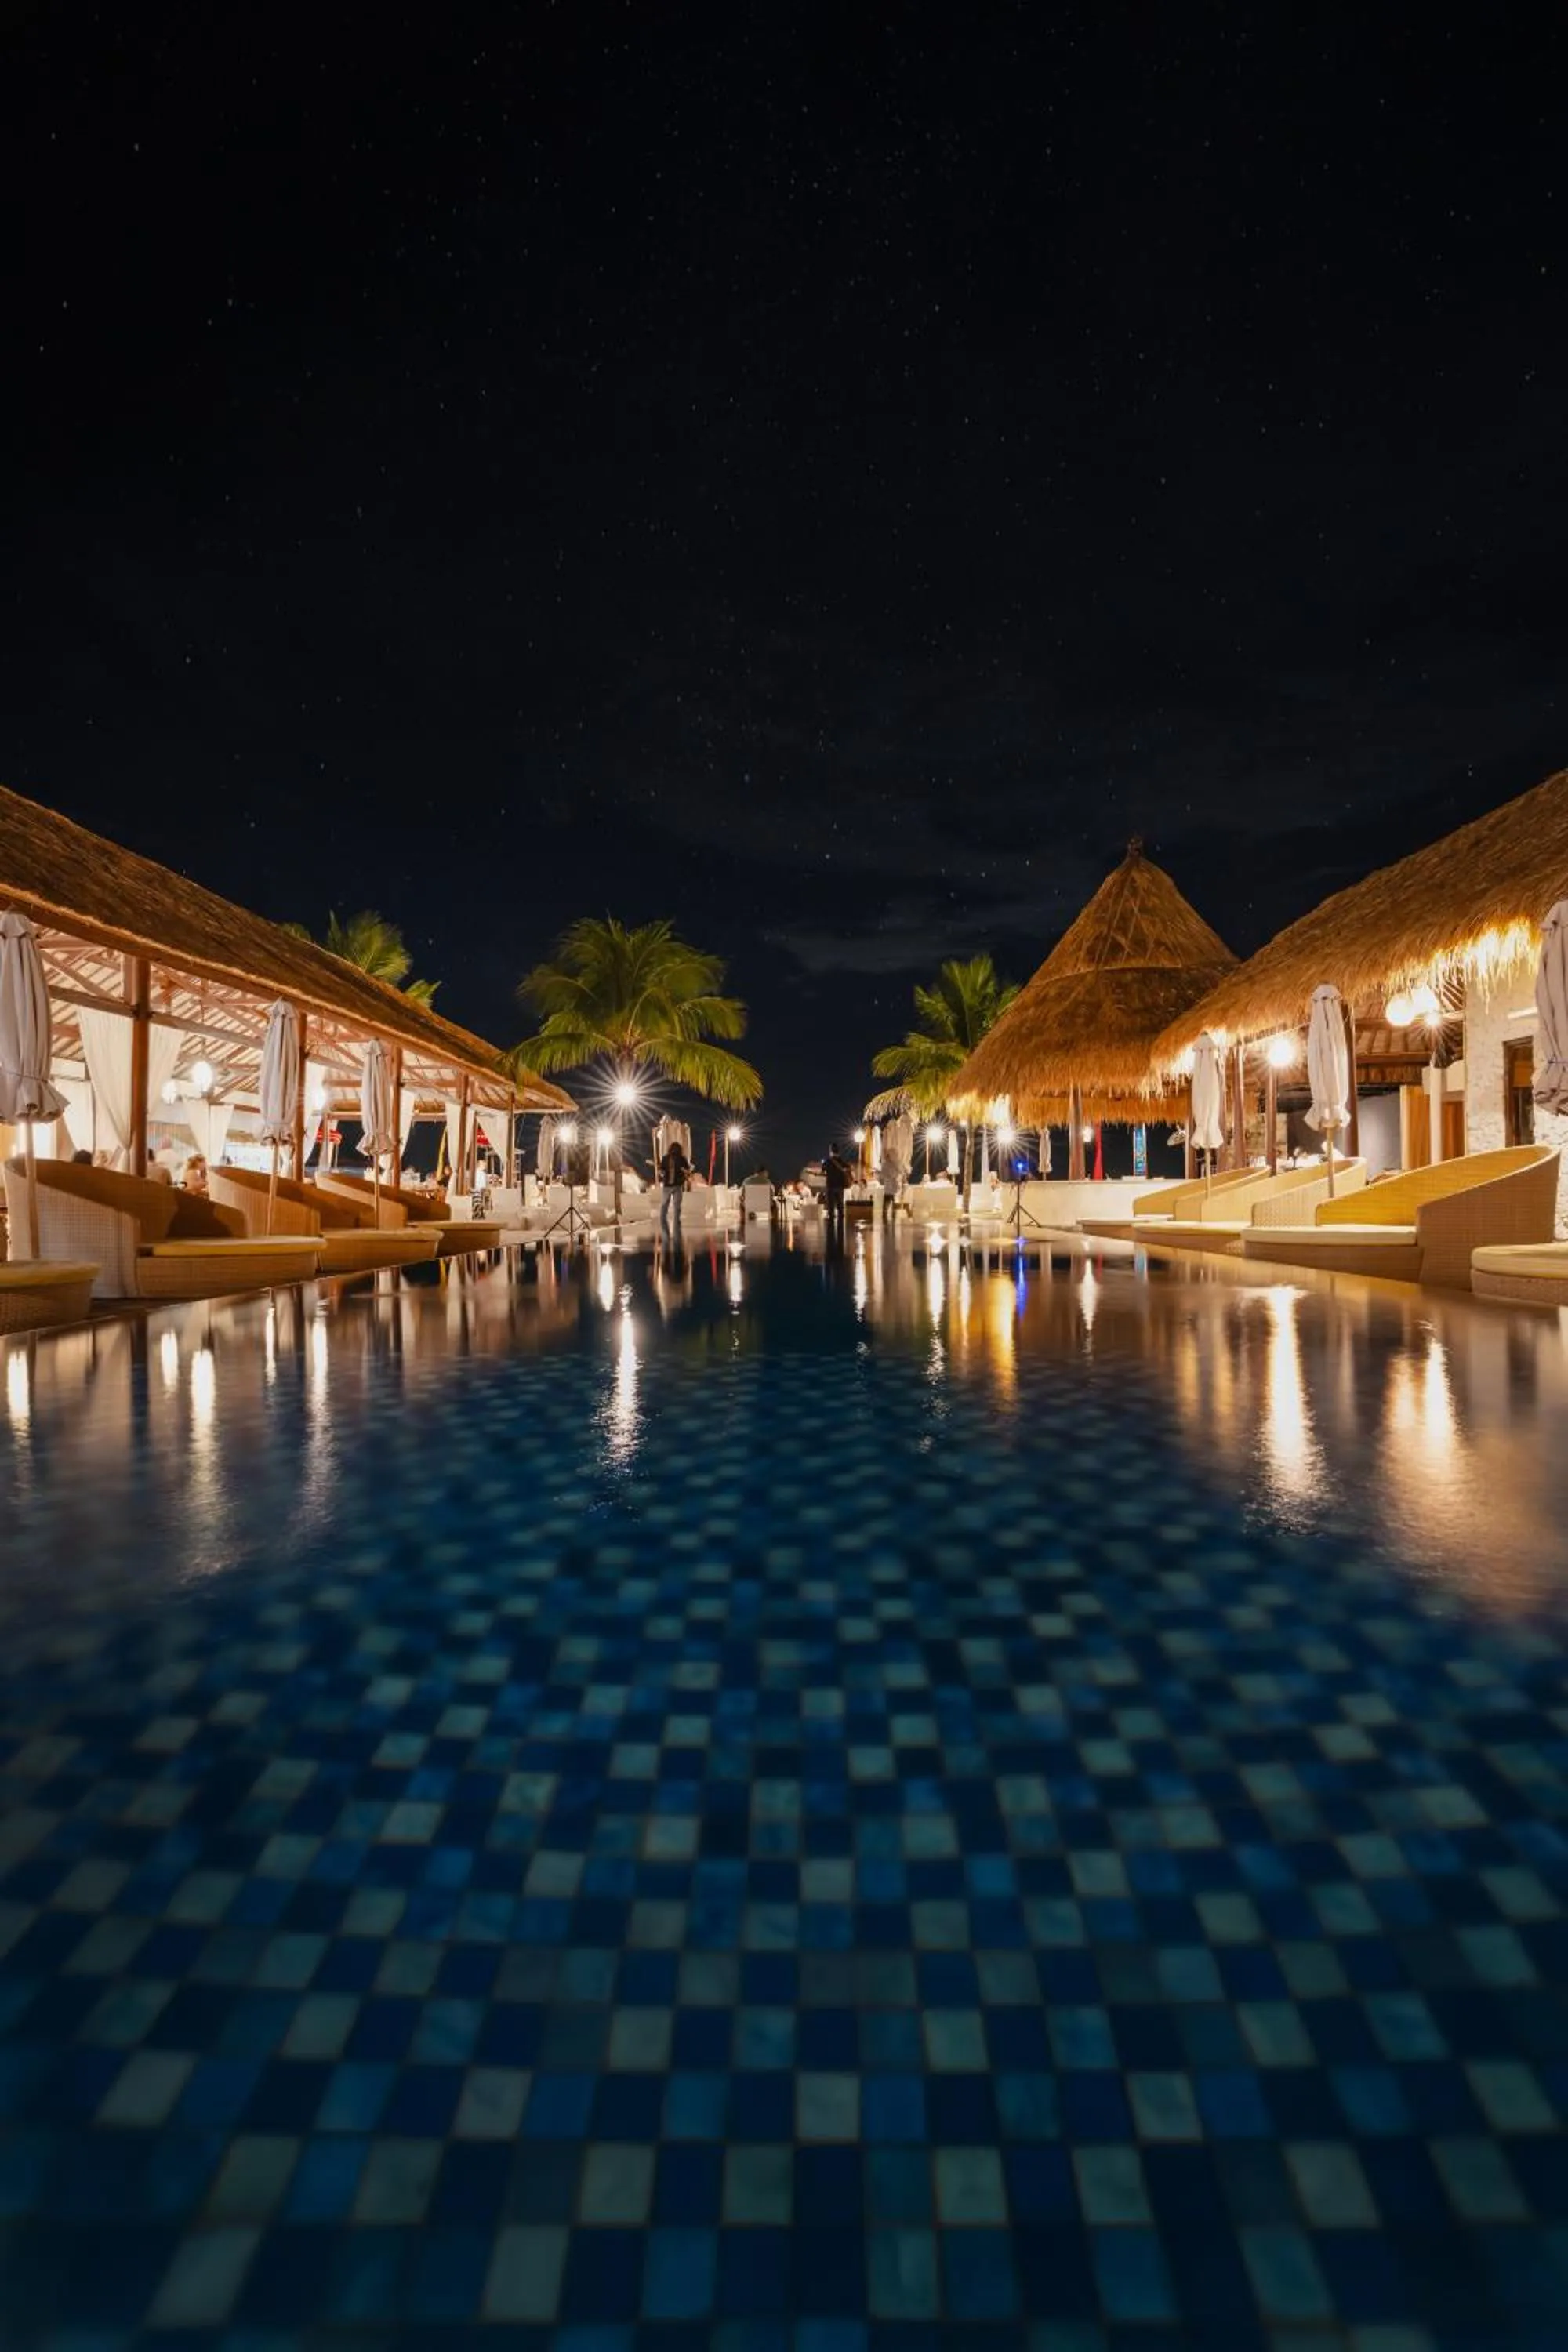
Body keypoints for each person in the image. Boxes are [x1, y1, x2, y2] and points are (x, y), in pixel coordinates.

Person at [658, 1136, 691, 1241]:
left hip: (676, 1185)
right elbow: (661, 1169)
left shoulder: (682, 1159)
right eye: (673, 1149)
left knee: (675, 1206)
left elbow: (687, 1169)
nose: (674, 1151)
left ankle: (675, 1226)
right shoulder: (665, 1158)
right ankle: (663, 1223)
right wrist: (661, 1173)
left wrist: (685, 1172)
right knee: (665, 1205)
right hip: (668, 1185)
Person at [822, 1145, 851, 1238]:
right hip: (840, 1186)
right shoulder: (842, 1161)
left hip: (831, 1186)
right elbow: (848, 1167)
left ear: (831, 1151)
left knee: (831, 1207)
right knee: (840, 1205)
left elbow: (823, 1171)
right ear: (838, 1151)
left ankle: (831, 1232)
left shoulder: (827, 1161)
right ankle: (841, 1228)